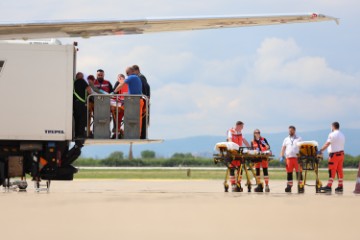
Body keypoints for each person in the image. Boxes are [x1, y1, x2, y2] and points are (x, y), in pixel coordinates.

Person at [114, 67, 143, 137]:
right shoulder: (137, 78)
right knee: (137, 119)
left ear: (130, 72)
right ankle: (135, 134)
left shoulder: (131, 77)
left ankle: (118, 131)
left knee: (118, 111)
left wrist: (114, 92)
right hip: (137, 100)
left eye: (127, 73)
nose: (127, 75)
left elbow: (121, 84)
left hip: (134, 101)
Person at [318, 122, 345, 193]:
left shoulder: (332, 134)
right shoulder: (342, 135)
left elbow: (327, 144)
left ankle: (329, 186)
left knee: (332, 170)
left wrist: (320, 150)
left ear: (333, 127)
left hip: (334, 155)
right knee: (339, 171)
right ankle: (340, 186)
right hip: (341, 154)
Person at [227, 121, 250, 192]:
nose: (242, 128)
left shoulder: (241, 133)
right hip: (232, 152)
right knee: (232, 168)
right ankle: (233, 184)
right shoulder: (231, 131)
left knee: (240, 168)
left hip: (239, 152)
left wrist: (250, 148)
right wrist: (232, 148)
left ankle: (238, 183)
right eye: (242, 127)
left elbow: (245, 141)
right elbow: (229, 140)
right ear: (238, 125)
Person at [280, 126, 304, 193]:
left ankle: (300, 186)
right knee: (289, 173)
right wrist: (282, 156)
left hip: (297, 158)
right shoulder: (286, 139)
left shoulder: (299, 138)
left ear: (294, 131)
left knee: (299, 173)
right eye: (289, 130)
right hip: (289, 158)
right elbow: (283, 148)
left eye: (291, 130)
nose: (290, 132)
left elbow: (302, 148)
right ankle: (289, 186)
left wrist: (302, 156)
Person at [133, 65, 150, 139]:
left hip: (142, 100)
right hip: (144, 100)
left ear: (137, 70)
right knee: (142, 118)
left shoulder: (140, 78)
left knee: (142, 118)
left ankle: (141, 135)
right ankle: (142, 135)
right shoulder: (141, 77)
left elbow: (144, 88)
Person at [73, 72, 92, 138]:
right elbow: (89, 90)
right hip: (81, 103)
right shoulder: (82, 81)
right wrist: (92, 96)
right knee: (82, 119)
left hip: (75, 103)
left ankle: (77, 134)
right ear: (80, 76)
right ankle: (81, 135)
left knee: (76, 119)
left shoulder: (74, 83)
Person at [111, 74, 128, 138]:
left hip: (121, 105)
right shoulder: (129, 84)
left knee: (116, 114)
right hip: (129, 105)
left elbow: (114, 94)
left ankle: (116, 131)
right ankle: (117, 130)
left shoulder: (119, 83)